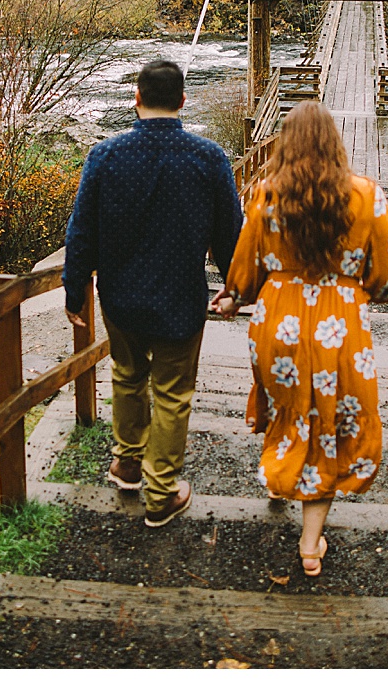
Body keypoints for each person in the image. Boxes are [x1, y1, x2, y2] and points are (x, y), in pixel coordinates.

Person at [213, 101, 388, 576]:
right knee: (326, 422)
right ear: (333, 141)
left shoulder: (266, 196)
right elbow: (384, 280)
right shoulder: (367, 196)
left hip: (277, 321)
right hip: (341, 327)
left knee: (291, 410)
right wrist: (358, 288)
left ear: (287, 142)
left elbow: (246, 262)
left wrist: (235, 297)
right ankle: (310, 539)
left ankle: (283, 477)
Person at [63, 59, 244, 527]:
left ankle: (127, 462)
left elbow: (80, 230)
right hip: (180, 297)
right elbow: (230, 233)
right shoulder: (209, 157)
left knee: (126, 374)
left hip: (119, 295)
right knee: (171, 390)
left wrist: (73, 290)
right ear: (183, 101)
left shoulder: (105, 155)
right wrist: (236, 286)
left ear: (137, 98)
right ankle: (161, 493)